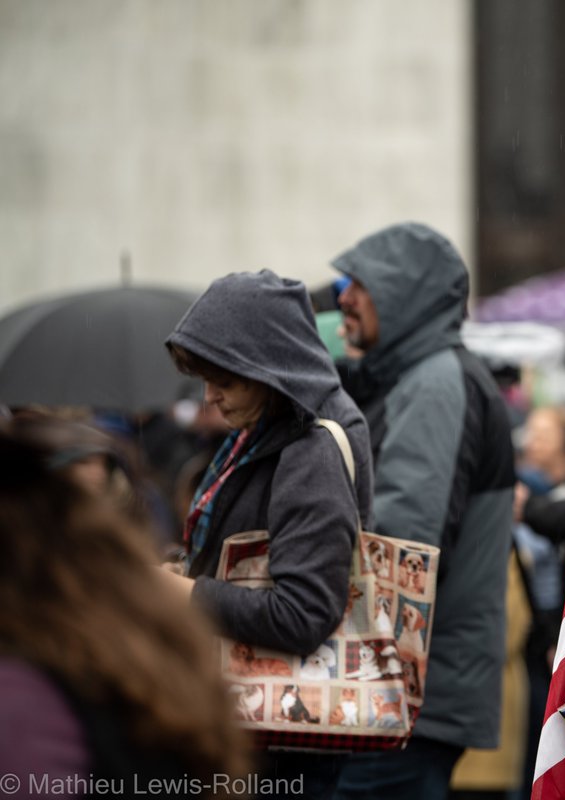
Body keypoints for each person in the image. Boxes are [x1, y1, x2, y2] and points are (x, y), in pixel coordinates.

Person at [161, 270, 374, 797]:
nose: (209, 397)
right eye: (204, 379)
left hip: (282, 748)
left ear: (271, 368)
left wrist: (187, 593)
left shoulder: (310, 449)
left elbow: (303, 614)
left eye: (225, 380)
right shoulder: (267, 430)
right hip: (265, 738)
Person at [329, 223, 516, 799]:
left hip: (401, 699)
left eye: (361, 284)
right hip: (401, 693)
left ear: (403, 292)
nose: (344, 297)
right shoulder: (420, 378)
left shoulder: (437, 383)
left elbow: (399, 547)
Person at [0, 423, 252, 795]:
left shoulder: (27, 692)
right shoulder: (145, 632)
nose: (93, 472)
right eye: (83, 464)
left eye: (96, 463)